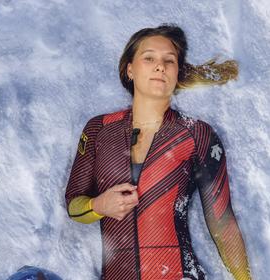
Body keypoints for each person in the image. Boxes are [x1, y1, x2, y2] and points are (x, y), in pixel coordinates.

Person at [64, 24, 252, 280]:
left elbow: (223, 223)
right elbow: (73, 205)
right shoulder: (99, 129)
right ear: (130, 69)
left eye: (169, 61)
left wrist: (245, 278)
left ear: (177, 73)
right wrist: (98, 205)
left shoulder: (197, 134)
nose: (160, 66)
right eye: (149, 57)